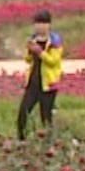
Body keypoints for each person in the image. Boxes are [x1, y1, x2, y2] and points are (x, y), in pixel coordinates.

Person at [17, 10, 63, 140]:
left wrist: (40, 52)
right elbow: (28, 60)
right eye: (37, 23)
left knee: (46, 116)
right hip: (33, 83)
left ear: (49, 25)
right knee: (23, 113)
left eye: (43, 23)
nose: (40, 27)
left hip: (48, 84)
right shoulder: (33, 39)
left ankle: (49, 142)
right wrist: (29, 51)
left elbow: (53, 61)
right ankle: (21, 139)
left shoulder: (55, 41)